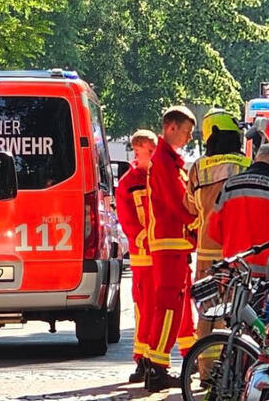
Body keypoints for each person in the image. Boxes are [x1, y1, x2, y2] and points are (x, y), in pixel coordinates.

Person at [184, 108, 251, 376]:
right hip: (238, 248)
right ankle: (233, 368)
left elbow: (188, 207)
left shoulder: (198, 168)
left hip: (207, 250)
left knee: (207, 310)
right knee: (235, 308)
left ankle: (206, 370)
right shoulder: (246, 164)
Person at [144, 105, 197, 392]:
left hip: (172, 243)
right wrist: (199, 218)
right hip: (170, 243)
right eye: (187, 132)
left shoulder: (168, 161)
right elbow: (178, 203)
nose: (189, 138)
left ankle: (156, 364)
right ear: (171, 128)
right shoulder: (165, 163)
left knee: (169, 307)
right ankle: (157, 368)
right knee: (168, 308)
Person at [208, 143, 269, 286]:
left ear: (257, 158)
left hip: (237, 274)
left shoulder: (229, 186)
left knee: (236, 309)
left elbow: (214, 231)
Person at [114, 129, 158, 384]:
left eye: (153, 152)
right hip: (144, 256)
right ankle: (142, 358)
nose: (151, 158)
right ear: (136, 152)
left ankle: (153, 357)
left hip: (161, 254)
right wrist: (144, 238)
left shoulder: (158, 178)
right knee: (144, 310)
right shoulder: (129, 183)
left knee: (162, 309)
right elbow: (128, 221)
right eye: (147, 153)